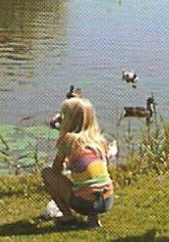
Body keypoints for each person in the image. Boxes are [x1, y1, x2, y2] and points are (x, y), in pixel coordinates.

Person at [41, 96, 115, 229]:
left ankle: (67, 216)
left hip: (85, 203)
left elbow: (55, 171)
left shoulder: (69, 141)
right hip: (108, 200)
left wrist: (65, 167)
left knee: (47, 173)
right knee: (92, 182)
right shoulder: (99, 140)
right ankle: (93, 219)